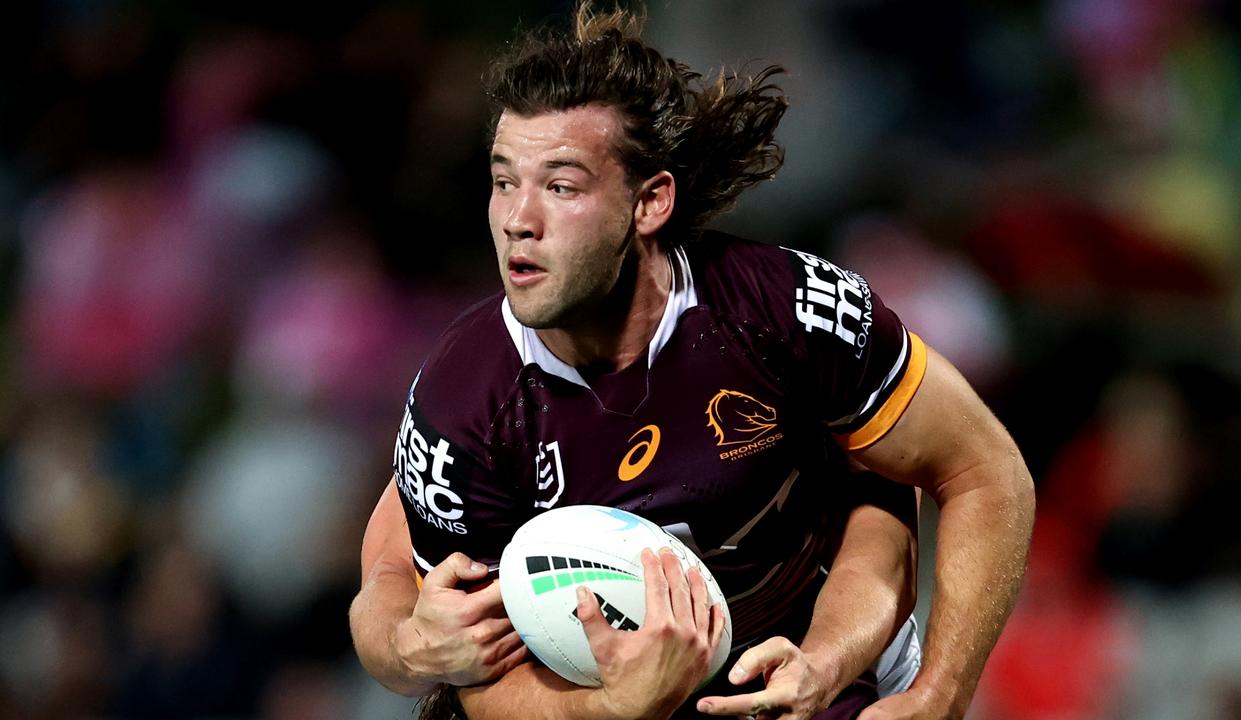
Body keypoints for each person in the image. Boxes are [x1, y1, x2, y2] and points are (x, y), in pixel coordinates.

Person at [350, 4, 1035, 719]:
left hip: (832, 668)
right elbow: (475, 683)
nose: (519, 218)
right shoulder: (465, 402)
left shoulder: (785, 310)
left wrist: (937, 693)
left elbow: (981, 471)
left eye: (560, 186)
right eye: (503, 181)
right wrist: (617, 708)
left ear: (649, 203)